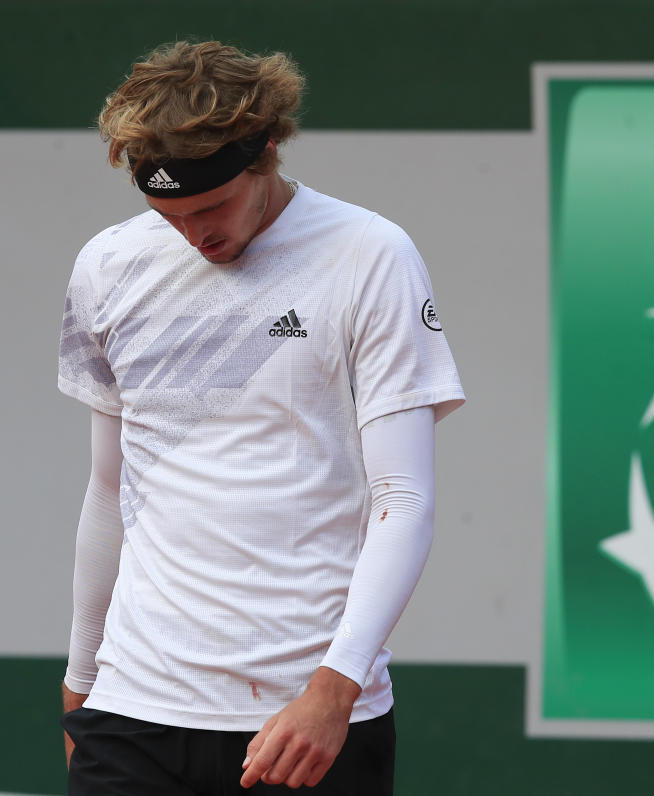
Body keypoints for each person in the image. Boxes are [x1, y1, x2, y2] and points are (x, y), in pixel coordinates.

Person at [57, 40, 464, 795]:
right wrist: (83, 674)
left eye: (211, 206)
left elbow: (403, 500)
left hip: (306, 717)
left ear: (268, 150)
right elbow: (109, 488)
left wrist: (335, 688)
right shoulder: (106, 264)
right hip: (131, 710)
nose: (194, 235)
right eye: (168, 214)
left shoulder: (370, 255)